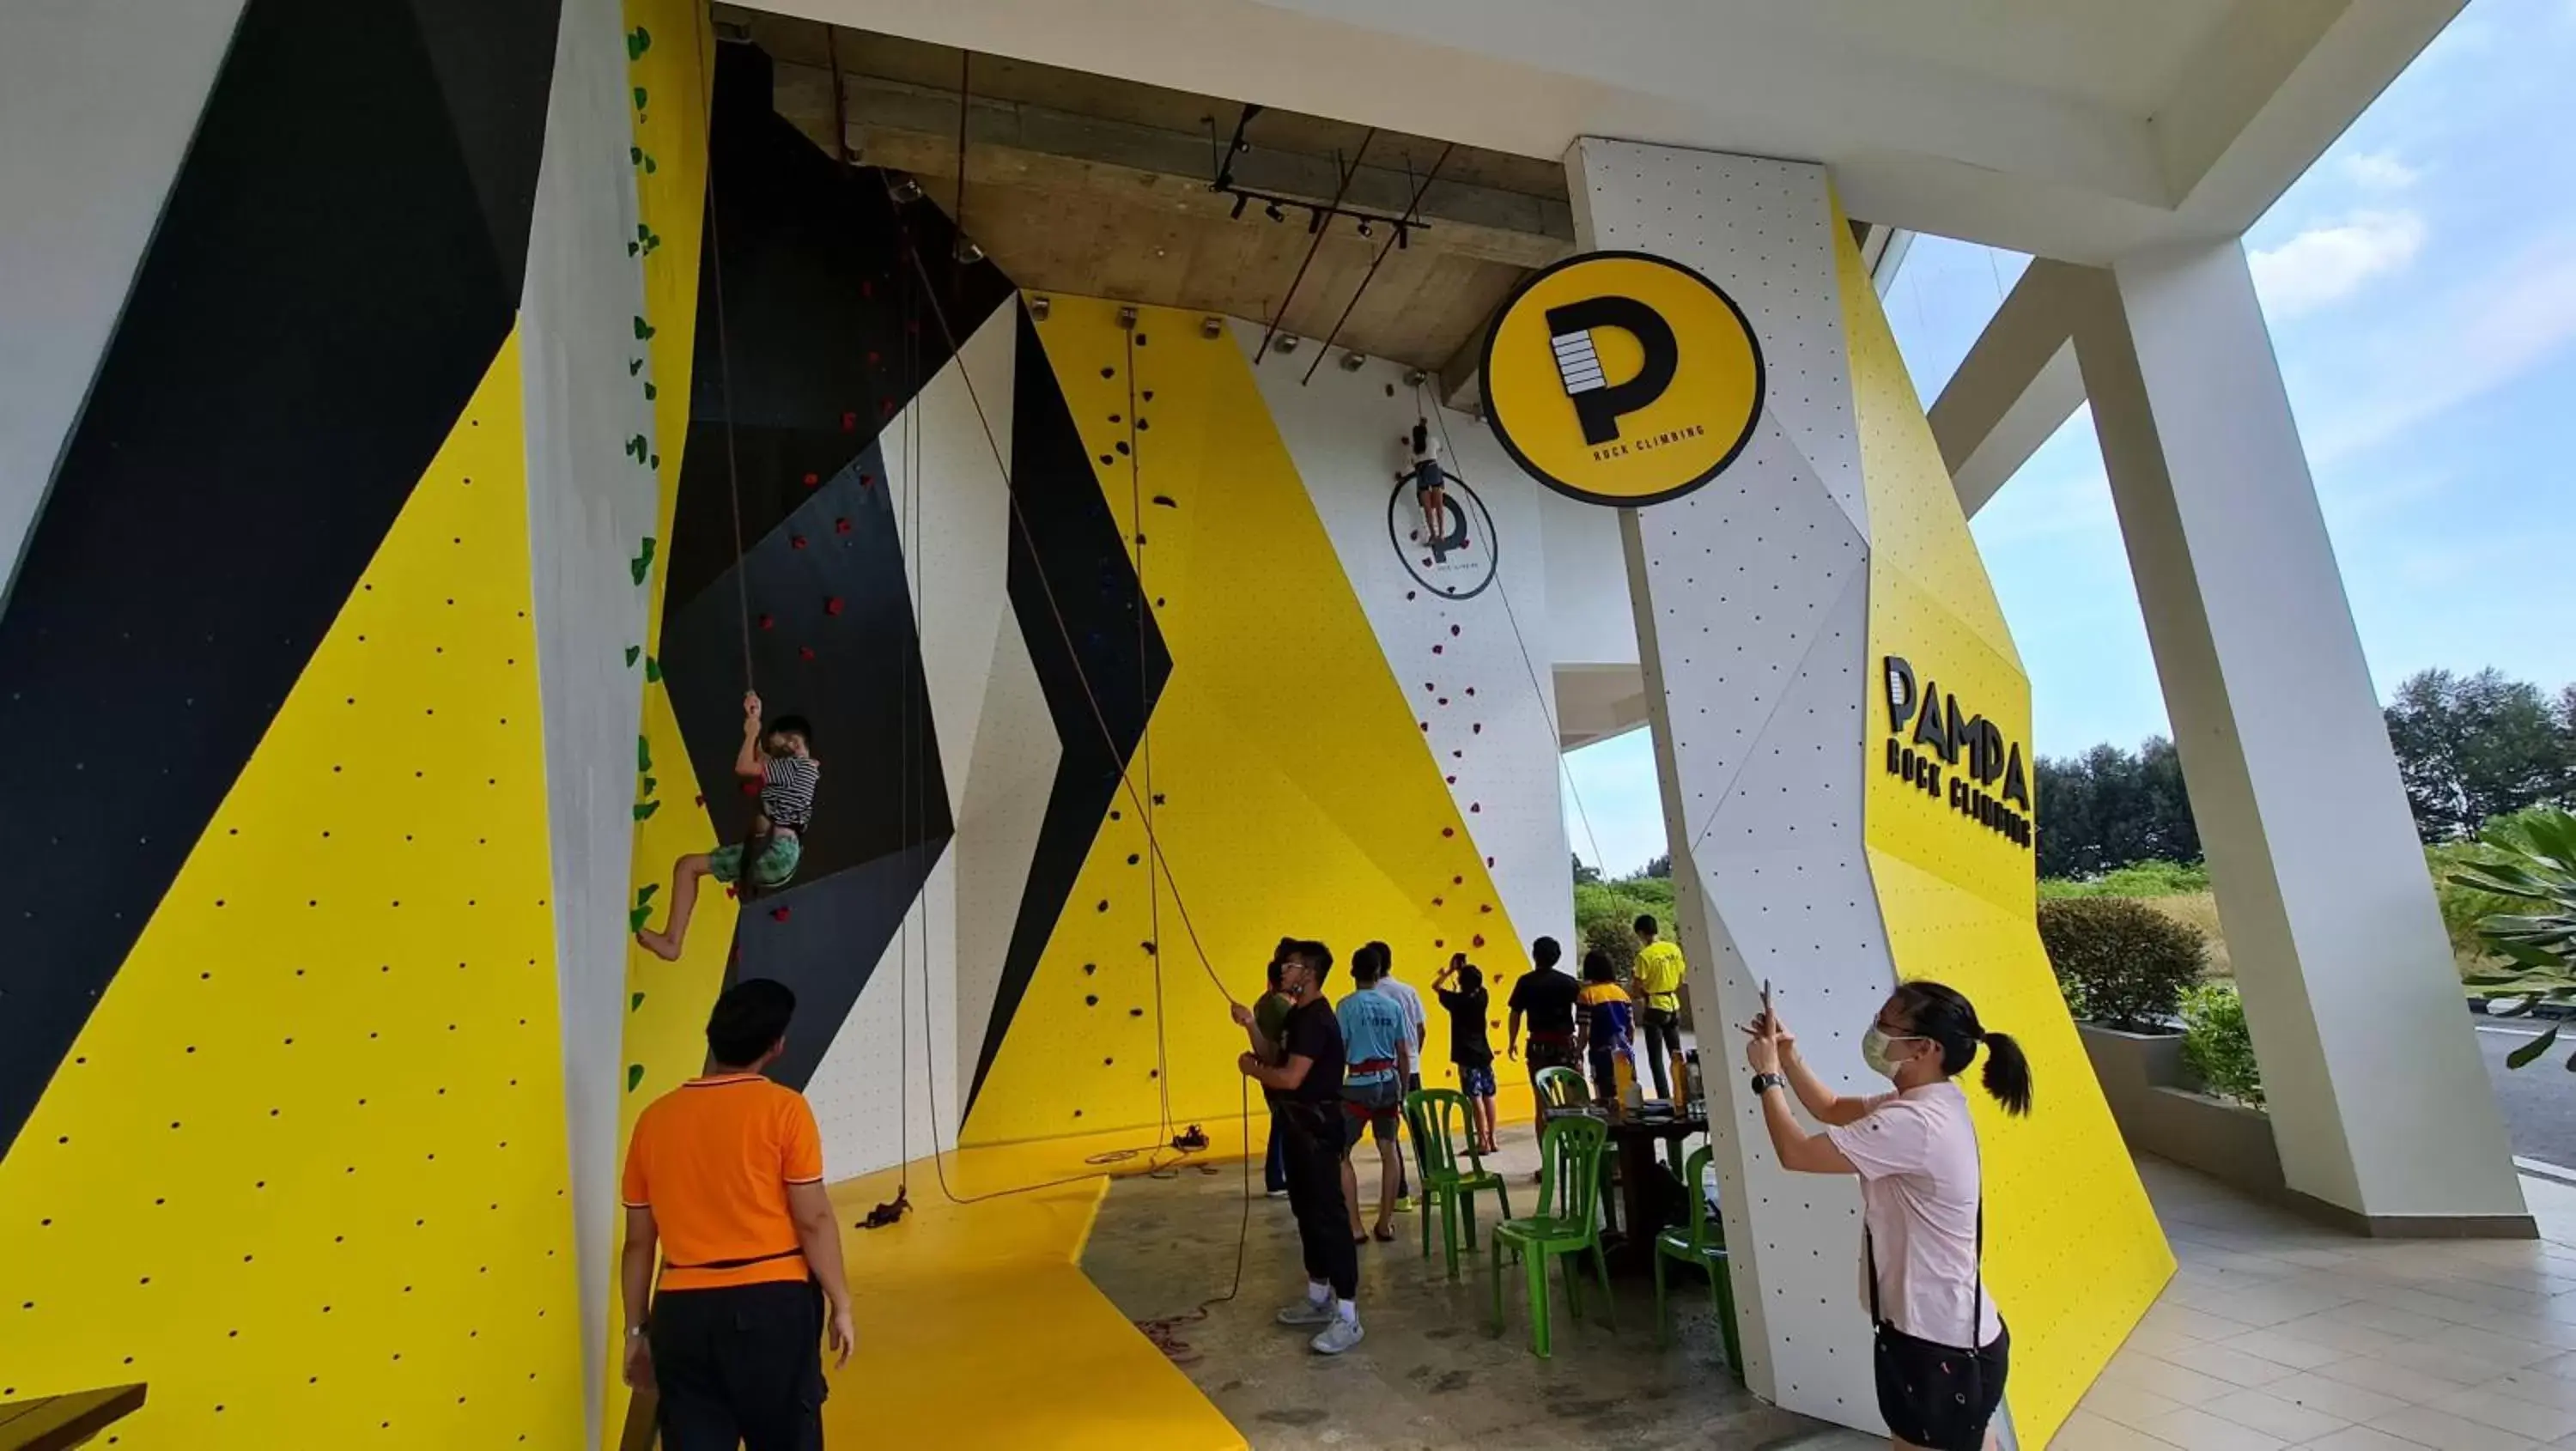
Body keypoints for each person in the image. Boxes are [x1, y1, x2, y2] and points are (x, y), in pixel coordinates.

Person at [1741, 980, 2031, 1451]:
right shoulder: (1926, 1102)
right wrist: (1789, 1057)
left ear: (1924, 1048)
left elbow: (1795, 1153)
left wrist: (1768, 1077)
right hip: (1954, 1334)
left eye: (1885, 1024)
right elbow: (1831, 1108)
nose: (1874, 1032)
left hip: (1936, 1343)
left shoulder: (1913, 1125)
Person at [619, 978, 856, 1449]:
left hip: (684, 1313)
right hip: (775, 1307)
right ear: (776, 1047)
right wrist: (841, 1303)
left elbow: (639, 1242)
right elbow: (813, 1220)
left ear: (712, 1035)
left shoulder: (654, 1119)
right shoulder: (785, 1111)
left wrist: (637, 1330)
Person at [1234, 940, 1366, 1355]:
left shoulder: (1317, 1020)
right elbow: (1275, 1054)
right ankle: (1317, 1295)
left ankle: (1347, 1315)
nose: (1282, 971)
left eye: (1290, 966)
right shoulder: (1297, 1016)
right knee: (1305, 1212)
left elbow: (1289, 1077)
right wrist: (1250, 1028)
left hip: (1318, 1130)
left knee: (1328, 1215)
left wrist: (1255, 1071)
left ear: (1308, 974)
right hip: (1296, 1129)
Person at [637, 693, 820, 961]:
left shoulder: (795, 767)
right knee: (690, 866)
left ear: (793, 743)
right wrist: (753, 718)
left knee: (687, 867)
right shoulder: (804, 769)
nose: (770, 750)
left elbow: (745, 766)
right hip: (784, 857)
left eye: (776, 743)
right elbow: (761, 758)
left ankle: (672, 943)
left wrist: (750, 734)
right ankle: (671, 941)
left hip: (776, 853)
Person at [1338, 944, 1413, 1244]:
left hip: (1358, 1083)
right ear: (1380, 972)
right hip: (1389, 1082)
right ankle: (1385, 1223)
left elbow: (1341, 1050)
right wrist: (1403, 1090)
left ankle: (1355, 1226)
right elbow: (1403, 1053)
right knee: (1389, 1149)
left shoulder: (1346, 1006)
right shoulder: (1392, 1006)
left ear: (1352, 971)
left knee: (1340, 1153)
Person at [1370, 942, 1428, 1208]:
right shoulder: (1408, 991)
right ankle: (1433, 1187)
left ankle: (1401, 1194)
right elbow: (1421, 1028)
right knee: (1421, 1129)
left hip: (1385, 1071)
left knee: (1389, 1134)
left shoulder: (1370, 996)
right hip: (1412, 1068)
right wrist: (1414, 1055)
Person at [1505, 935, 1580, 1132]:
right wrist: (1581, 1044)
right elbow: (1583, 1011)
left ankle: (1547, 1158)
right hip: (1565, 1045)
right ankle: (1574, 1152)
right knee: (1573, 1101)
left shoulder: (1526, 982)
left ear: (1535, 956)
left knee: (1542, 1104)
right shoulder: (1568, 982)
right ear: (1557, 957)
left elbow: (1515, 1014)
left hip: (1538, 1046)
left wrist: (1511, 1041)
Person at [1245, 943, 1298, 1198]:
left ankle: (1278, 1175)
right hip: (1281, 1070)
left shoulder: (1263, 1003)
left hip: (1272, 1070)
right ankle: (1277, 1177)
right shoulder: (1282, 1006)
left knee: (1281, 1120)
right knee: (1284, 1121)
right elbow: (1279, 1045)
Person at [1432, 952, 1498, 1154]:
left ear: (1460, 982)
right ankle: (1493, 1139)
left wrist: (1451, 970)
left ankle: (1482, 1143)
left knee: (1474, 1096)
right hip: (1484, 1053)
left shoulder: (1456, 1001)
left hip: (1466, 1056)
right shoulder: (1483, 996)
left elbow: (1436, 986)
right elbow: (1472, 983)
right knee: (1489, 1095)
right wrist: (1462, 969)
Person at [1631, 914, 1688, 1102]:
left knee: (1656, 1059)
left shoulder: (1644, 956)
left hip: (1655, 1007)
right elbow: (1681, 979)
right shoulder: (1674, 949)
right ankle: (1683, 1095)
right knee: (1676, 1056)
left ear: (1641, 933)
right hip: (1673, 1004)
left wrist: (1642, 994)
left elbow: (1637, 986)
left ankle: (1664, 1098)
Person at [1574, 950, 1636, 1111]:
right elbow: (1631, 1028)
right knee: (1626, 1097)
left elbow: (1584, 1032)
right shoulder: (1622, 994)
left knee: (1605, 1100)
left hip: (1602, 1054)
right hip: (1625, 1053)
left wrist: (1578, 1052)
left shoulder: (1586, 995)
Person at [1398, 419, 1453, 545]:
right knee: (1439, 505)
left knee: (1428, 509)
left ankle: (1433, 535)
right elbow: (1441, 448)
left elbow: (1411, 463)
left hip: (1421, 473)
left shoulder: (1413, 447)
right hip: (1433, 469)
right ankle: (1441, 533)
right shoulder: (1432, 440)